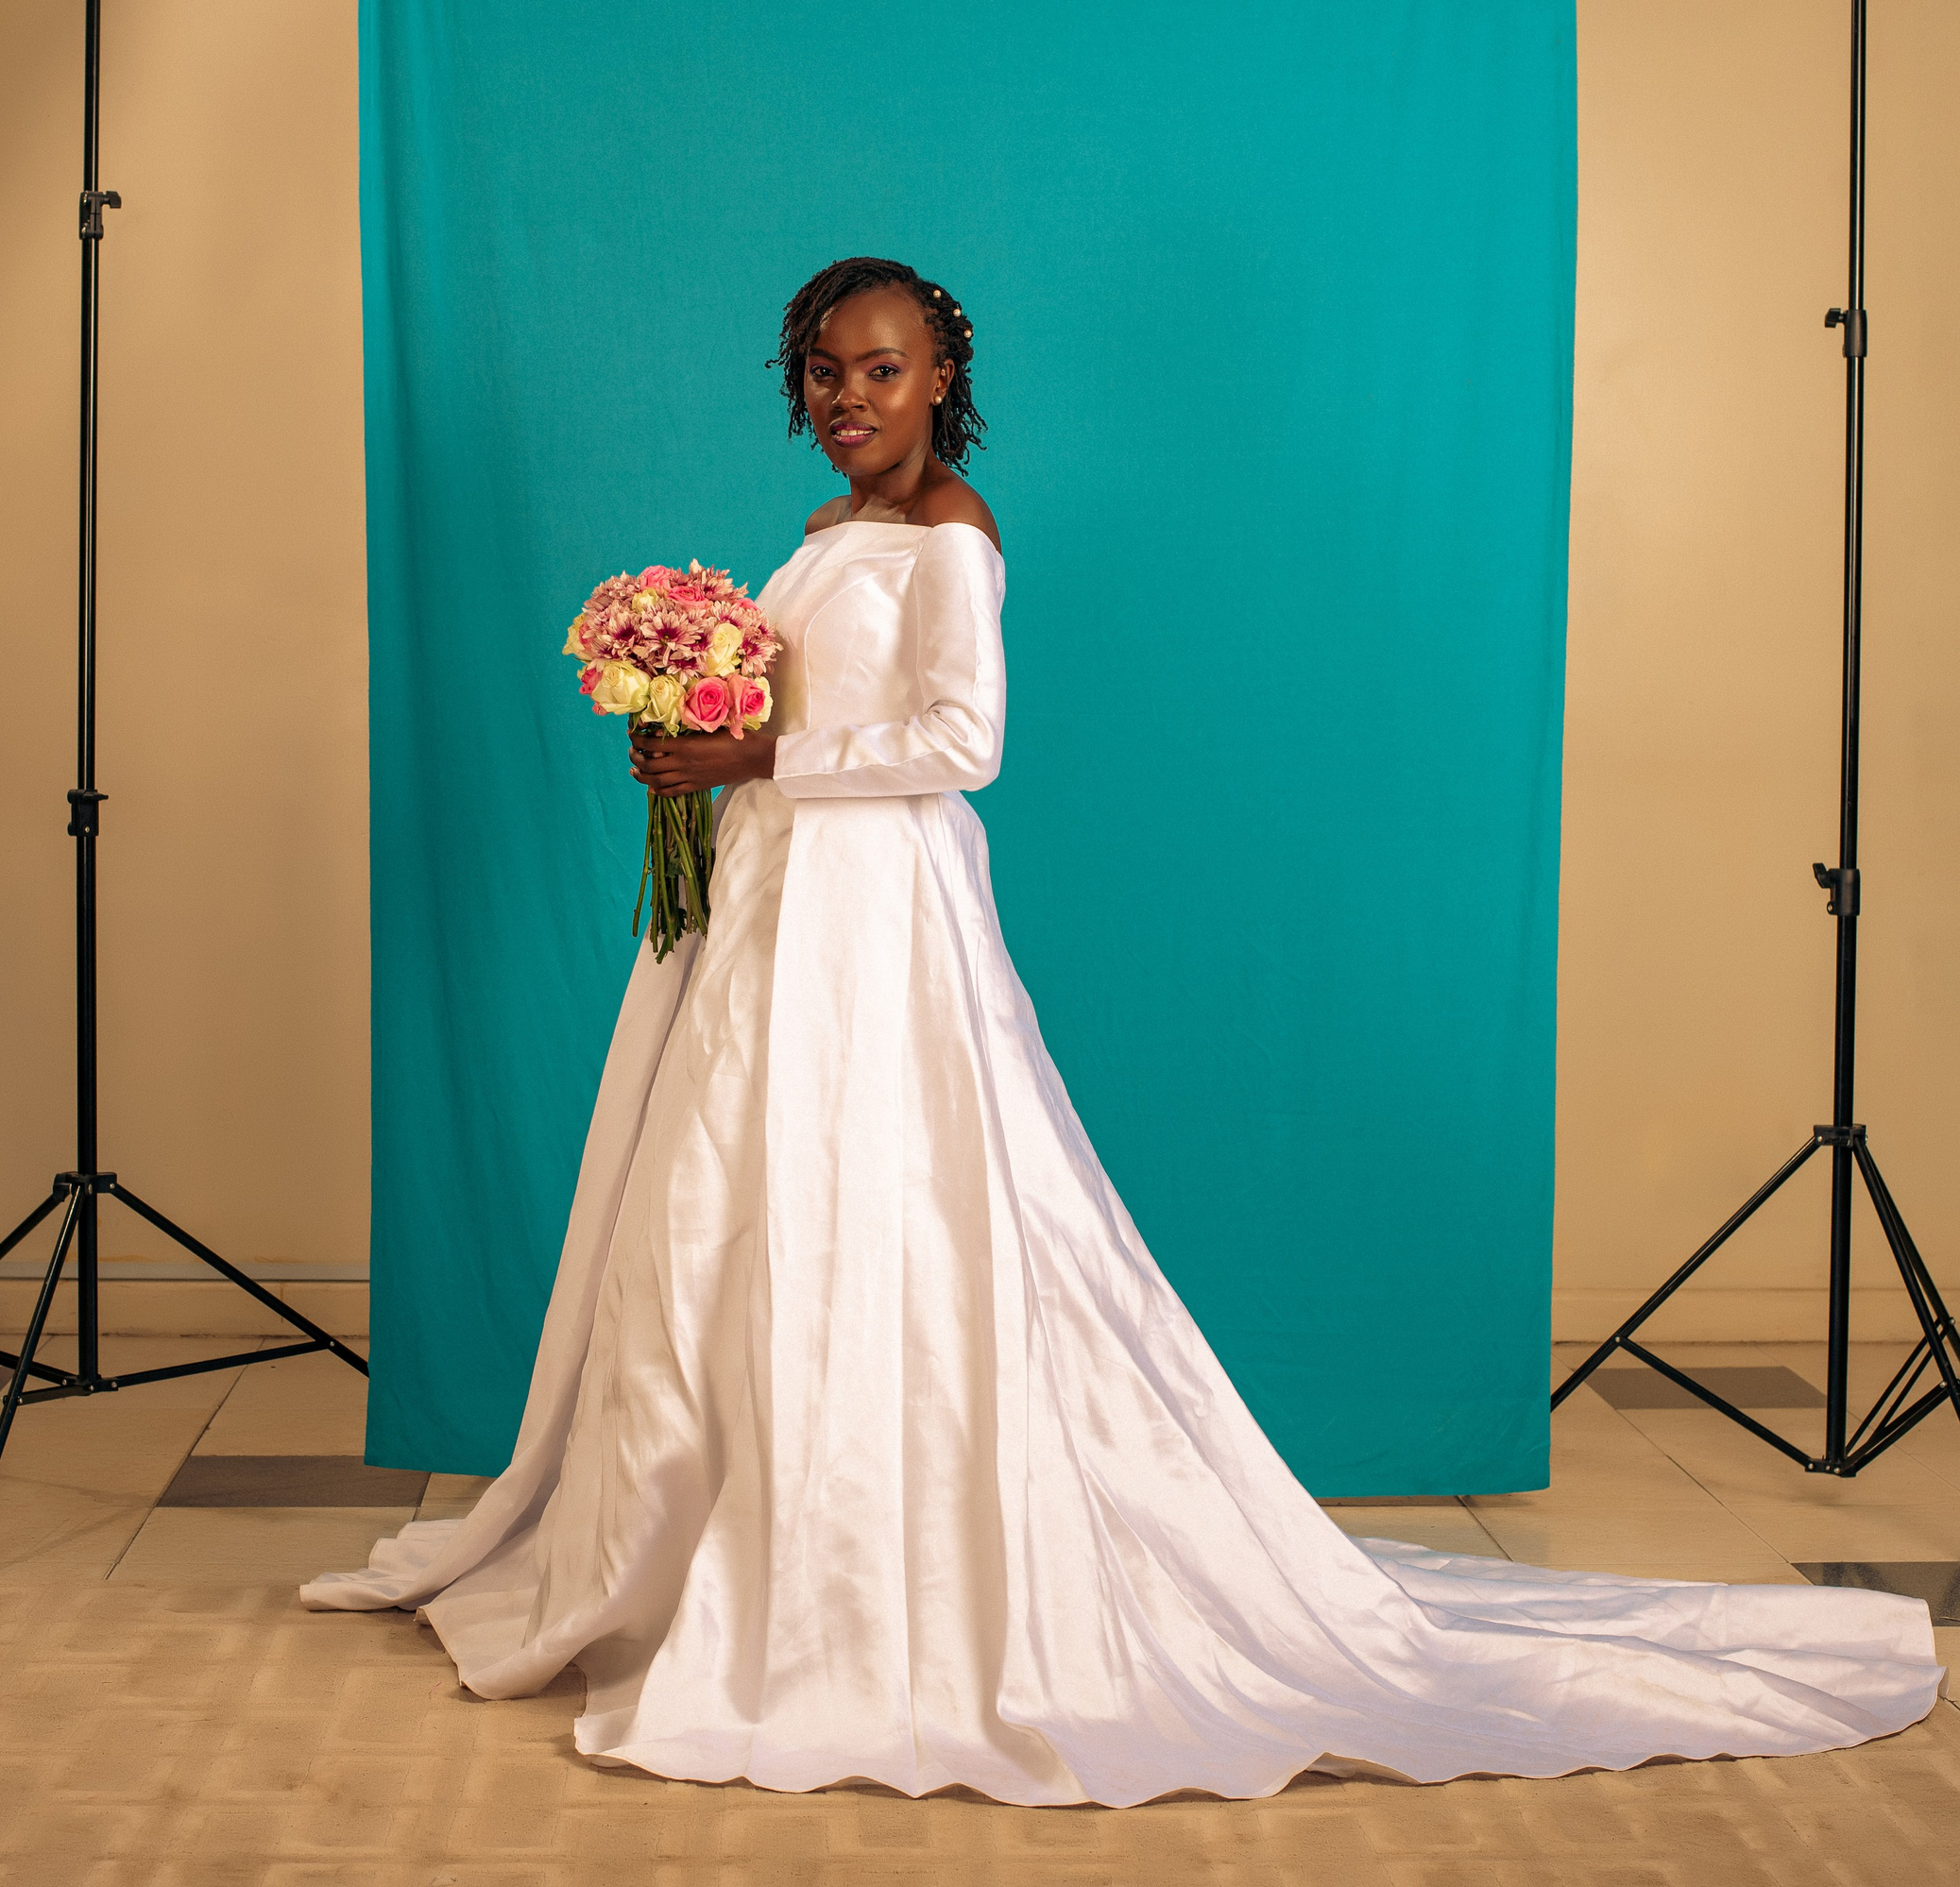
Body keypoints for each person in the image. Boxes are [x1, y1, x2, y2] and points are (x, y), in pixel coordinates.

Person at [303, 256, 1939, 1806]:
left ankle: (856, 1575)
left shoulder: (950, 535)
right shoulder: (825, 527)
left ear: (944, 374)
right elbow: (818, 706)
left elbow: (964, 738)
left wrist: (759, 766)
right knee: (737, 1207)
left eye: (882, 368)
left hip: (881, 915)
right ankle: (724, 1524)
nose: (850, 395)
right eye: (825, 372)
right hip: (784, 903)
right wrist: (705, 721)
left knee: (878, 1201)